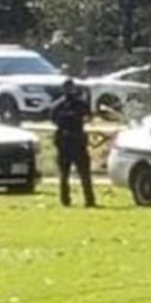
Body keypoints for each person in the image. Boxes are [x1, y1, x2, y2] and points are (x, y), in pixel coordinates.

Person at [50, 78, 96, 207]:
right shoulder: (78, 104)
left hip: (70, 141)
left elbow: (53, 119)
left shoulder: (57, 105)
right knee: (71, 174)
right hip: (72, 141)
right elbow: (88, 117)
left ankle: (83, 200)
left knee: (79, 174)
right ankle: (79, 200)